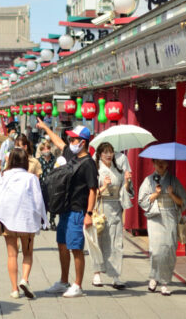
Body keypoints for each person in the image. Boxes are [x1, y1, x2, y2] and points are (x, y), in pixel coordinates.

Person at [35, 121, 98, 298]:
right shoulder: (72, 155)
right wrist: (46, 128)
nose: (71, 142)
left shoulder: (88, 163)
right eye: (71, 139)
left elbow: (93, 189)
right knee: (62, 245)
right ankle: (64, 281)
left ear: (83, 142)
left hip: (78, 210)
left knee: (75, 247)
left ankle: (77, 284)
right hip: (64, 208)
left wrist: (89, 214)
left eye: (74, 139)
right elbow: (59, 143)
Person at [0, 147, 46, 300]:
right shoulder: (31, 178)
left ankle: (14, 289)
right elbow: (38, 200)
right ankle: (24, 279)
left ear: (10, 160)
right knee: (27, 253)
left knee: (12, 255)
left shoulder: (2, 176)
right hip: (27, 220)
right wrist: (43, 219)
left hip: (7, 220)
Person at [138, 159, 186, 296]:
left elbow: (182, 201)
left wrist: (171, 194)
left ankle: (165, 282)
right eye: (157, 162)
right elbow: (141, 200)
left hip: (170, 217)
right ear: (153, 163)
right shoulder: (149, 180)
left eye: (163, 162)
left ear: (167, 164)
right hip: (155, 217)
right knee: (156, 250)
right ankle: (154, 277)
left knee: (169, 249)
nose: (160, 165)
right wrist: (156, 194)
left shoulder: (174, 181)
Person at [85, 142, 131, 289]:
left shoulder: (118, 169)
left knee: (116, 242)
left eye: (110, 151)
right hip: (101, 208)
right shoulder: (96, 169)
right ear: (99, 154)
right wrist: (104, 186)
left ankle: (116, 275)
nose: (108, 155)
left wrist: (127, 182)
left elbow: (126, 192)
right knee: (98, 241)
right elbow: (90, 192)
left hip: (116, 208)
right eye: (104, 152)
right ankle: (97, 273)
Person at [37, 141, 58, 230]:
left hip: (53, 184)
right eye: (44, 149)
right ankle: (43, 222)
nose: (46, 150)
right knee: (43, 203)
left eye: (48, 148)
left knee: (53, 203)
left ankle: (52, 220)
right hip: (42, 184)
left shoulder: (55, 160)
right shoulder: (38, 161)